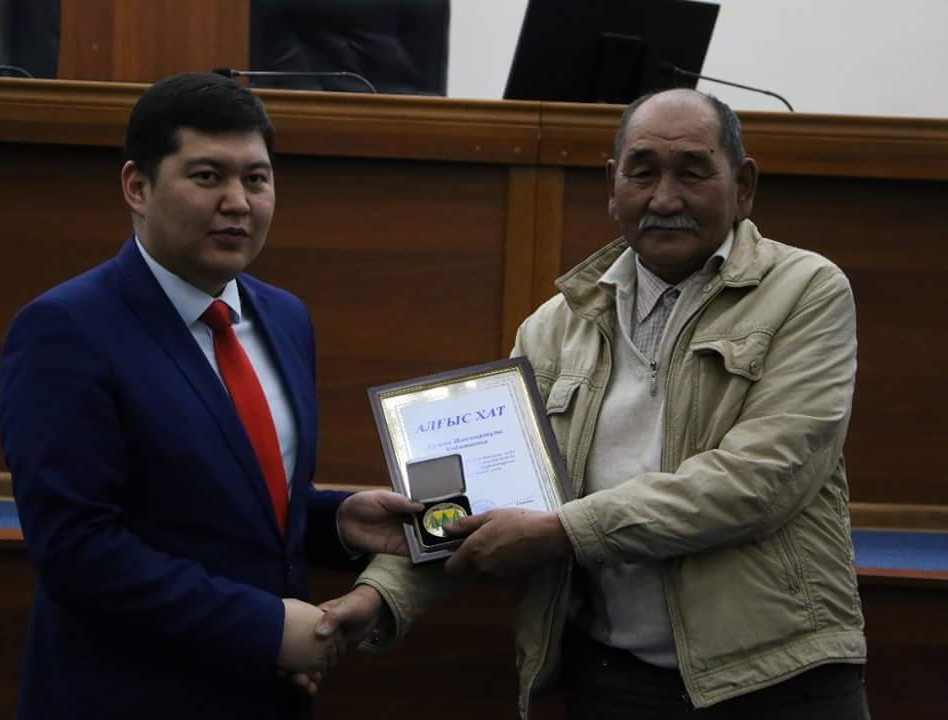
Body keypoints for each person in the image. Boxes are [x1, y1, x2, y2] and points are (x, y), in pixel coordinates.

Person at [321, 88, 869, 719]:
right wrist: (376, 598)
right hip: (613, 681)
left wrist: (562, 532)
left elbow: (760, 481)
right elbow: (478, 502)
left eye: (692, 173)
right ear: (612, 186)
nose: (665, 199)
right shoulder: (552, 328)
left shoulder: (806, 291)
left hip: (777, 678)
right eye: (643, 173)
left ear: (742, 186)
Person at [0, 72, 419, 720]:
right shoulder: (65, 330)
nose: (238, 203)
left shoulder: (286, 318)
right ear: (137, 187)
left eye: (256, 179)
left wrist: (333, 521)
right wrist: (267, 628)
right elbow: (77, 550)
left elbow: (225, 501)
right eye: (207, 177)